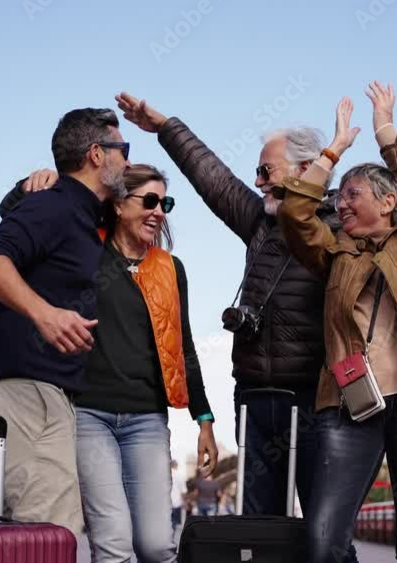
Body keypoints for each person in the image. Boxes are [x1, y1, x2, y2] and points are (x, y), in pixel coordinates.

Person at [115, 91, 351, 533]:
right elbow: (214, 179)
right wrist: (166, 126)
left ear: (306, 169)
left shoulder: (342, 226)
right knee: (259, 534)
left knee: (327, 538)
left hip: (315, 403)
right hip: (256, 401)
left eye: (266, 170)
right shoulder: (261, 222)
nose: (258, 181)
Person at [276, 83, 397, 563]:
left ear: (387, 202)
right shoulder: (334, 251)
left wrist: (387, 133)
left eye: (352, 194)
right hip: (350, 406)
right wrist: (334, 150)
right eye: (339, 196)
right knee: (322, 541)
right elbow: (295, 212)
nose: (340, 204)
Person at [0, 164, 218, 563]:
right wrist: (28, 186)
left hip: (147, 419)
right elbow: (13, 220)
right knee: (114, 543)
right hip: (87, 414)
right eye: (149, 201)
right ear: (118, 205)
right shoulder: (85, 251)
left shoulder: (171, 268)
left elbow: (182, 344)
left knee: (156, 545)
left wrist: (204, 419)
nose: (159, 211)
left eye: (165, 203)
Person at [0, 107, 129, 533]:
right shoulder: (55, 206)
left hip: (46, 398)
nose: (127, 161)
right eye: (123, 149)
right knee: (51, 535)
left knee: (49, 536)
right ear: (97, 154)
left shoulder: (80, 215)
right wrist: (44, 314)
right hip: (23, 395)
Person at [170, 459, 187, 535]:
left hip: (165, 503)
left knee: (167, 523)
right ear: (176, 466)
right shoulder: (180, 476)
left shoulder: (164, 475)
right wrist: (185, 502)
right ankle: (170, 539)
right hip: (177, 503)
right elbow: (183, 491)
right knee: (174, 523)